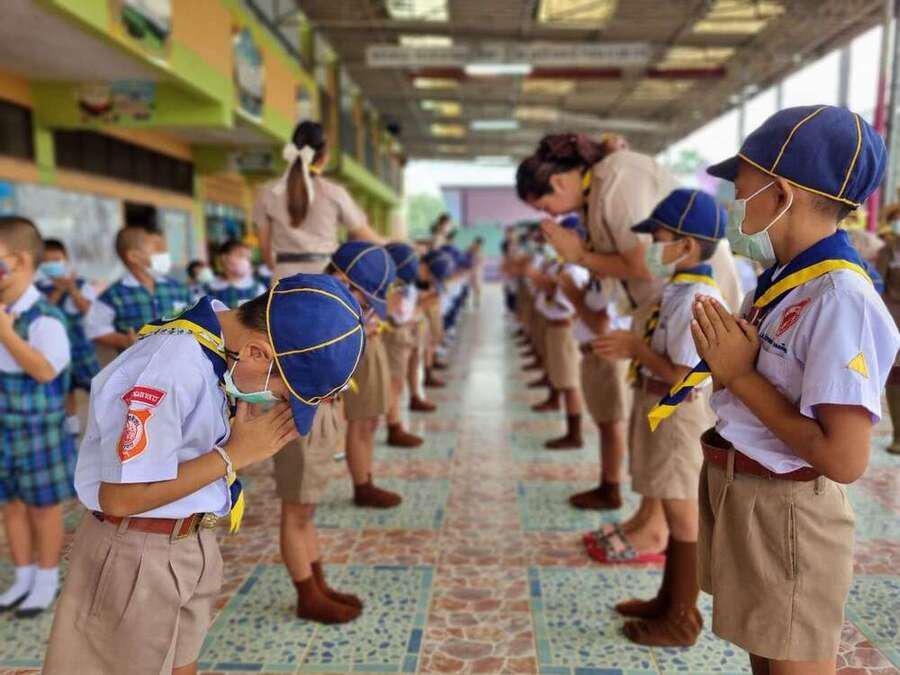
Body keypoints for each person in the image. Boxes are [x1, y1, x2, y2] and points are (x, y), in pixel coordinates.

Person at [44, 273, 366, 672]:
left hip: (189, 540)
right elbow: (120, 498)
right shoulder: (171, 368)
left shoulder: (217, 344)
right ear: (257, 353)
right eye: (282, 394)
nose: (273, 400)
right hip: (136, 554)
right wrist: (233, 455)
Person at [682, 105, 898, 674]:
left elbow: (844, 459)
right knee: (767, 654)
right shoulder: (781, 282)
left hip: (790, 512)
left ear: (780, 194)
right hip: (750, 493)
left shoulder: (839, 299)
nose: (734, 196)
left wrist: (740, 375)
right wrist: (729, 365)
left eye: (742, 183)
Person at [517, 133, 741, 559]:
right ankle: (648, 518)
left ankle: (660, 533)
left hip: (679, 311)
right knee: (652, 434)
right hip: (659, 309)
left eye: (545, 205)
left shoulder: (615, 176)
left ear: (560, 182)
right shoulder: (600, 185)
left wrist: (578, 256)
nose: (549, 216)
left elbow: (642, 261)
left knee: (672, 433)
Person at [594, 189, 726, 645]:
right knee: (671, 509)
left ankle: (682, 619)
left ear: (686, 245)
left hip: (679, 412)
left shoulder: (698, 298)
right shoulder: (679, 289)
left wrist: (636, 349)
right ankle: (668, 599)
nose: (652, 244)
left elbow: (686, 376)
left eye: (658, 236)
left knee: (683, 515)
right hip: (661, 407)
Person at [0, 217, 75, 618]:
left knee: (43, 508)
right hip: (3, 432)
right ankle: (23, 576)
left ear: (21, 260)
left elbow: (45, 371)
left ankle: (45, 580)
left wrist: (6, 333)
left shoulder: (45, 316)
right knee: (10, 506)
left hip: (37, 433)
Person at [253, 120, 385, 280]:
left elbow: (264, 247)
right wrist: (393, 243)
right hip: (324, 277)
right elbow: (364, 233)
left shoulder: (268, 192)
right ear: (324, 157)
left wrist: (277, 266)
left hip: (284, 276)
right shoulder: (334, 192)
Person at [329, 242, 402, 508]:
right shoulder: (329, 299)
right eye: (365, 298)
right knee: (361, 420)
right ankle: (362, 485)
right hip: (358, 351)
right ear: (343, 280)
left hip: (369, 346)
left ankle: (367, 478)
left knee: (370, 420)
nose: (367, 304)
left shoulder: (346, 293)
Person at [85, 226, 190, 352]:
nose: (165, 254)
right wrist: (124, 341)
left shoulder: (178, 288)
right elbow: (95, 330)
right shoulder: (113, 295)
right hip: (139, 363)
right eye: (157, 248)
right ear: (133, 256)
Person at [37, 238, 101, 437]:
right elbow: (42, 311)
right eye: (47, 261)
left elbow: (87, 309)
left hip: (81, 348)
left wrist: (72, 288)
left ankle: (104, 421)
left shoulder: (81, 284)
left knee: (96, 385)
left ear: (65, 259)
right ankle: (72, 425)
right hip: (54, 348)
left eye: (56, 260)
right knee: (66, 388)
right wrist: (59, 289)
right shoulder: (38, 288)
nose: (52, 265)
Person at [383, 242, 425, 447]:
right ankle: (394, 426)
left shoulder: (401, 284)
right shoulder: (391, 286)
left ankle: (396, 423)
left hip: (402, 330)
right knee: (394, 382)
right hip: (394, 333)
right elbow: (396, 314)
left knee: (397, 381)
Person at [206, 239, 267, 309]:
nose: (245, 261)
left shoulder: (258, 289)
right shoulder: (210, 287)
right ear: (224, 258)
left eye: (248, 258)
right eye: (241, 255)